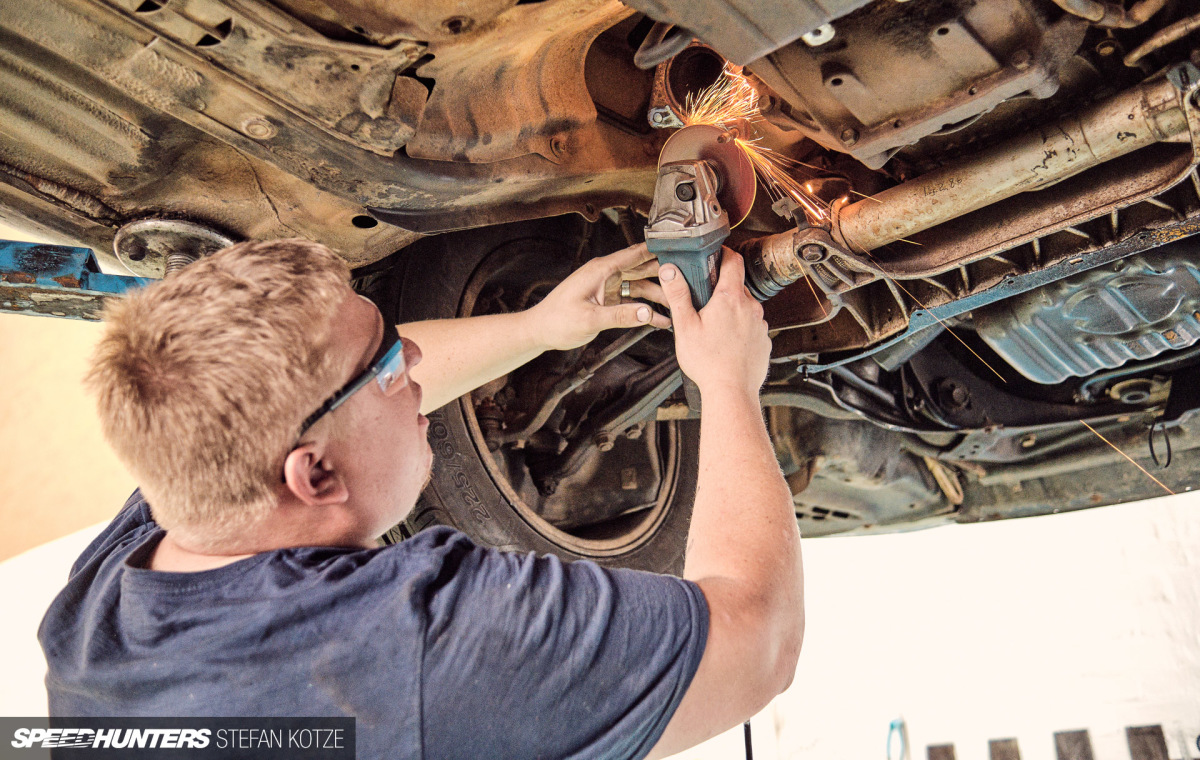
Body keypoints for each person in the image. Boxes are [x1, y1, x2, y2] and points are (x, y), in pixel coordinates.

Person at [39, 237, 803, 759]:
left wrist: (538, 327)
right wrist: (728, 382)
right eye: (388, 367)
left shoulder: (111, 593)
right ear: (314, 477)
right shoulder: (413, 643)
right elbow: (760, 641)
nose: (413, 359)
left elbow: (334, 408)